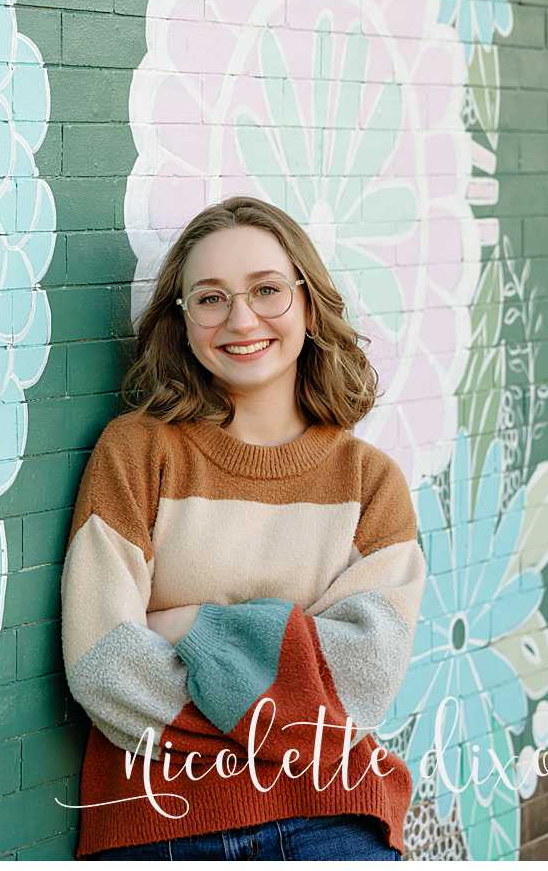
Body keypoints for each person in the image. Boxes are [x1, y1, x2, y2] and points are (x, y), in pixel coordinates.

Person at [59, 196, 426, 860]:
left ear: (309, 306)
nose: (241, 319)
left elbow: (362, 680)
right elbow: (103, 666)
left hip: (333, 816)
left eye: (267, 291)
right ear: (182, 318)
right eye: (210, 298)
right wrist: (288, 670)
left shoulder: (371, 485)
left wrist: (187, 624)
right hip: (159, 820)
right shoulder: (137, 454)